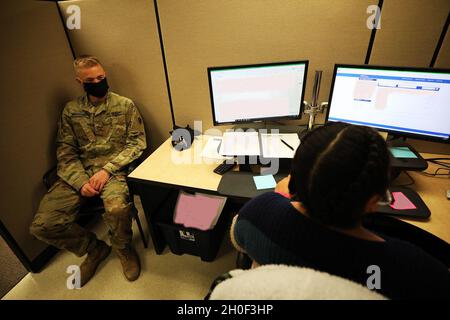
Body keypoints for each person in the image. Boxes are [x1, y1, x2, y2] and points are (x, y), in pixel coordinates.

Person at [230, 122, 449, 299]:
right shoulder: (414, 268)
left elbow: (237, 237)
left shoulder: (258, 212)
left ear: (293, 181)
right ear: (373, 201)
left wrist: (279, 199)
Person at [30, 55, 147, 287]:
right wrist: (80, 182)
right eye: (91, 79)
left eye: (101, 77)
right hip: (77, 173)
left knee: (117, 209)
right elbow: (65, 151)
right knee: (43, 225)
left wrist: (107, 170)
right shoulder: (71, 111)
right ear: (80, 82)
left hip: (113, 172)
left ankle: (122, 247)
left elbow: (137, 143)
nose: (98, 82)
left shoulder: (124, 106)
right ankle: (94, 249)